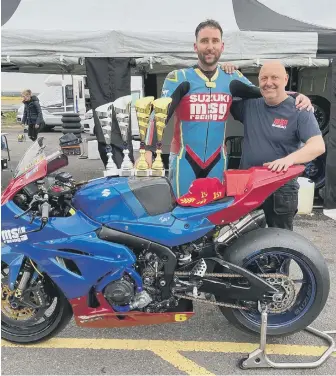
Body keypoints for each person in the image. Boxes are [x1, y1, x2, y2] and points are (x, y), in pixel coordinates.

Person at [137, 19, 312, 198]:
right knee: (182, 212)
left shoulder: (231, 78)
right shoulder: (179, 78)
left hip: (217, 160)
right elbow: (159, 116)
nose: (210, 46)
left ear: (222, 46)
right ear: (195, 46)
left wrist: (295, 95)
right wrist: (148, 151)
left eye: (215, 41)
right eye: (204, 41)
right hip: (184, 159)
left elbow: (263, 91)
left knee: (216, 215)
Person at [225, 60, 325, 230]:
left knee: (279, 242)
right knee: (244, 241)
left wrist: (288, 160)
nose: (268, 82)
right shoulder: (249, 106)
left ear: (285, 79)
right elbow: (222, 96)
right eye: (263, 78)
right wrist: (229, 72)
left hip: (281, 188)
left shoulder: (299, 109)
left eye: (274, 77)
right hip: (249, 185)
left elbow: (317, 146)